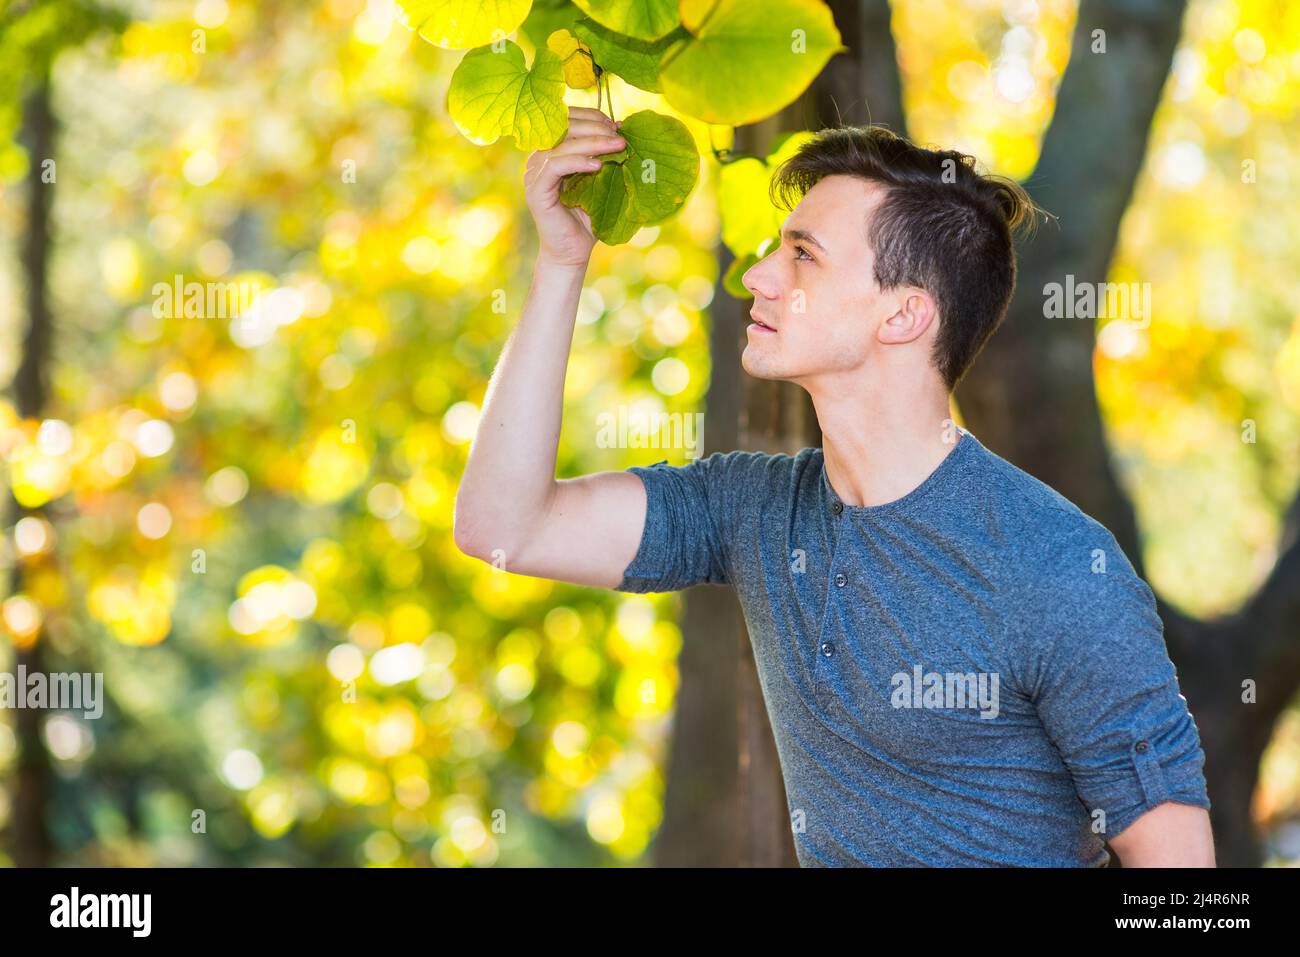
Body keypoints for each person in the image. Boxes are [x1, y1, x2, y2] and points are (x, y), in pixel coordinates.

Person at [453, 107, 1215, 867]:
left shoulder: (1057, 567)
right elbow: (502, 528)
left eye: (803, 256)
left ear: (904, 315)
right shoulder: (749, 510)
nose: (757, 276)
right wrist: (560, 265)